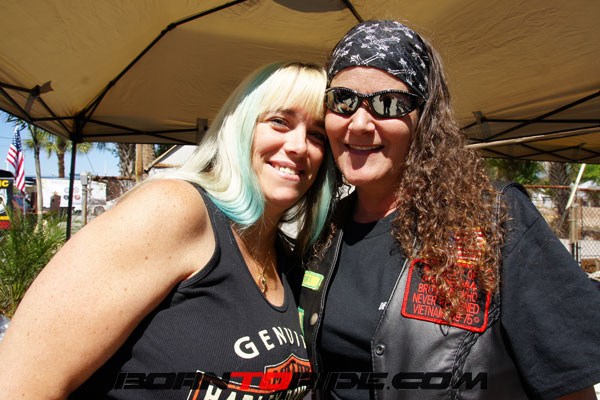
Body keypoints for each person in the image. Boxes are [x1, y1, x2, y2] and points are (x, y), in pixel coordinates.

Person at [297, 20, 600, 400]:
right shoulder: (325, 229)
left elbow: (568, 385)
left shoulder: (495, 218)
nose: (358, 123)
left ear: (424, 120)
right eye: (343, 100)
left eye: (388, 104)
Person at [0, 62, 336, 399]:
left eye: (317, 135)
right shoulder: (174, 209)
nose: (299, 146)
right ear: (241, 125)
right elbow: (21, 384)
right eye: (279, 121)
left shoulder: (291, 262)